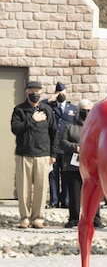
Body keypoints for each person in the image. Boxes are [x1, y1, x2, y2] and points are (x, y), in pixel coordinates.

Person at [11, 81, 58, 229]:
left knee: (41, 188)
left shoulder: (47, 110)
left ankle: (38, 217)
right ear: (27, 92)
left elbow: (54, 132)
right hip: (24, 154)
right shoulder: (19, 110)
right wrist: (32, 120)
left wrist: (53, 153)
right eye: (32, 91)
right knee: (23, 187)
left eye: (38, 91)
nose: (35, 93)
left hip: (43, 154)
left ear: (42, 93)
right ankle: (25, 217)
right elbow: (15, 128)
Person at [60, 99, 104, 229]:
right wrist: (77, 147)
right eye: (84, 110)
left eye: (89, 110)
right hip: (74, 166)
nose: (87, 112)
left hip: (92, 166)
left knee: (94, 193)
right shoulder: (70, 126)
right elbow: (62, 142)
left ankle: (95, 218)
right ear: (78, 111)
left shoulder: (97, 127)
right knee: (74, 193)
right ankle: (74, 218)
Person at [43, 82, 78, 209]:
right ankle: (54, 200)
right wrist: (50, 98)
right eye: (59, 93)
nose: (61, 95)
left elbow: (77, 127)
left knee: (66, 174)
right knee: (53, 174)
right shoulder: (49, 106)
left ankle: (66, 201)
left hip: (66, 148)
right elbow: (39, 105)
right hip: (52, 147)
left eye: (63, 93)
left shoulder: (72, 109)